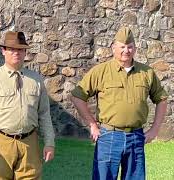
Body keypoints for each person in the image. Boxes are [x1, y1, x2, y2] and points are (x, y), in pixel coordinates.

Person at [70, 27, 168, 180]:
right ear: (113, 47)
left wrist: (155, 130)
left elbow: (161, 99)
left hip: (136, 136)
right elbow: (77, 96)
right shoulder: (100, 71)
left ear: (135, 48)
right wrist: (92, 125)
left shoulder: (147, 73)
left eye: (130, 46)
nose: (126, 50)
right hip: (108, 136)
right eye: (122, 46)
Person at [0, 31, 55, 180]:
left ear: (25, 53)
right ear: (3, 51)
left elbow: (44, 114)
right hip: (0, 143)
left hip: (29, 142)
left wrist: (49, 142)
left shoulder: (36, 80)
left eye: (20, 49)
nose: (16, 53)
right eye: (12, 49)